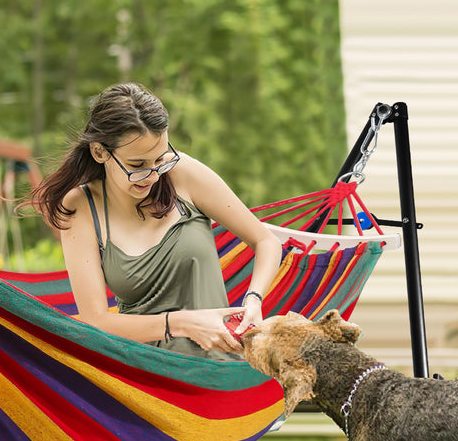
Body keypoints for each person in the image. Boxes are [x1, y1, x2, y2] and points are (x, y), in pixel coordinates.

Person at [31, 82, 283, 358]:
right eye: (138, 165)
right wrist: (182, 324)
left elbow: (265, 241)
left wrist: (254, 300)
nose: (153, 175)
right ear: (100, 152)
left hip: (221, 369)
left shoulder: (182, 174)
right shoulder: (81, 207)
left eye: (160, 159)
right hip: (148, 381)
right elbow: (96, 322)